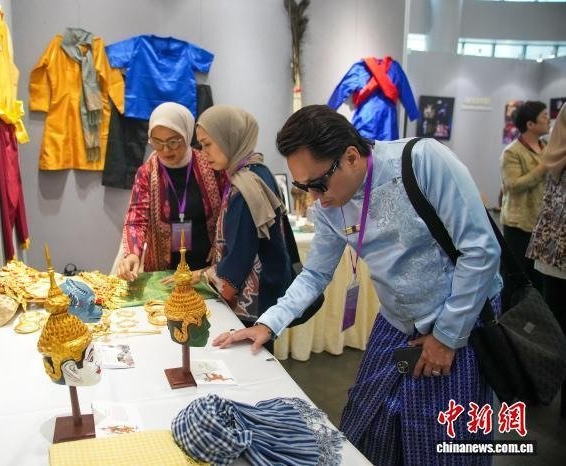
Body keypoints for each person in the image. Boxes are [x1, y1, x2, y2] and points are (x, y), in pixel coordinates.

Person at [214, 105, 503, 465]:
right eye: (303, 187)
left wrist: (446, 337)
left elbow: (481, 251)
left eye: (318, 183)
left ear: (351, 156)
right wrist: (268, 323)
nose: (315, 198)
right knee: (368, 424)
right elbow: (315, 274)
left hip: (460, 322)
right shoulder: (329, 205)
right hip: (397, 324)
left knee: (439, 439)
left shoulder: (422, 161)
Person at [196, 105, 293, 325]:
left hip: (252, 302)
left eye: (207, 144)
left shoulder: (244, 186)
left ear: (229, 137)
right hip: (268, 291)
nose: (203, 152)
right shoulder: (258, 170)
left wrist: (204, 277)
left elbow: (240, 254)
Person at [118, 103, 222, 282]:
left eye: (173, 142)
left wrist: (221, 243)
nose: (165, 150)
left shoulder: (211, 164)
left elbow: (227, 209)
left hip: (204, 269)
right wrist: (132, 254)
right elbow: (136, 219)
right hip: (163, 272)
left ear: (187, 135)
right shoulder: (147, 173)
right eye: (157, 142)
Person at [526, 104, 566, 418]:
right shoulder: (553, 157)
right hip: (556, 253)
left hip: (552, 251)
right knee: (555, 330)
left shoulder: (550, 152)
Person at [500, 100, 550, 292]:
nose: (549, 120)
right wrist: (543, 167)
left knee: (539, 279)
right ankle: (509, 311)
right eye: (544, 116)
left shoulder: (548, 148)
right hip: (518, 224)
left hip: (542, 224)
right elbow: (513, 185)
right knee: (514, 277)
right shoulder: (512, 152)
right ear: (530, 124)